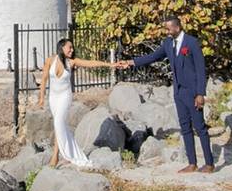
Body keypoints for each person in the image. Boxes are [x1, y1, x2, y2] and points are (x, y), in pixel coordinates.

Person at [116, 15, 215, 173]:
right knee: (185, 127)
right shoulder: (168, 43)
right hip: (178, 92)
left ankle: (209, 163)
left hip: (193, 92)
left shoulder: (192, 43)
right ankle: (192, 163)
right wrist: (130, 63)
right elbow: (153, 57)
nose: (167, 32)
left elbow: (201, 70)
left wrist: (200, 94)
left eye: (169, 29)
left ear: (177, 27)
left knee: (200, 127)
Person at [37, 38, 117, 168]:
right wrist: (41, 97)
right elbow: (44, 79)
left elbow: (91, 63)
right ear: (62, 47)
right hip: (53, 98)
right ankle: (56, 156)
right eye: (70, 47)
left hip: (64, 97)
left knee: (58, 122)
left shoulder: (72, 62)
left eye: (72, 48)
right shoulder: (50, 60)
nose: (72, 50)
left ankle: (55, 157)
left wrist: (109, 65)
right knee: (59, 125)